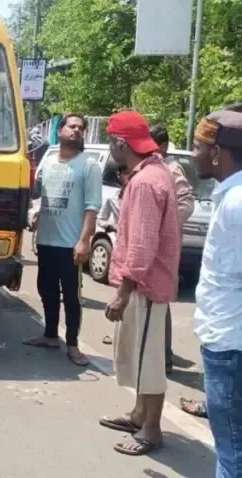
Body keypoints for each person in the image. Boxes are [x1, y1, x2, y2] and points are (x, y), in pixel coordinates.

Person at [99, 110, 181, 456]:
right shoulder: (151, 173)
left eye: (110, 141)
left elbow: (142, 246)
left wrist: (122, 293)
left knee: (148, 362)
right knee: (139, 355)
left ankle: (151, 429)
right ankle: (139, 415)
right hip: (146, 284)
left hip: (145, 286)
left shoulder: (146, 182)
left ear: (121, 143)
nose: (110, 148)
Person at [23, 113, 102, 367]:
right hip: (46, 240)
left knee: (71, 297)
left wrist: (85, 241)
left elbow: (92, 207)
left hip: (71, 244)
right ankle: (49, 335)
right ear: (60, 131)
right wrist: (36, 216)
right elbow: (39, 196)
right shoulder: (48, 162)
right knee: (46, 290)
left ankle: (73, 345)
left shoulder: (88, 165)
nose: (76, 130)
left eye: (81, 128)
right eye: (72, 126)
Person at [190, 108, 242, 477]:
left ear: (216, 152)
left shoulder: (237, 203)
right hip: (226, 341)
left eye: (198, 147)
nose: (194, 154)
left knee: (231, 454)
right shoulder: (231, 196)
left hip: (229, 348)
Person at [150, 124, 195, 373]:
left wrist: (165, 225)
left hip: (163, 245)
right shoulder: (148, 167)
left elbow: (187, 203)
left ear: (164, 146)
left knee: (160, 299)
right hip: (147, 244)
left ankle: (164, 358)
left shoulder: (172, 168)